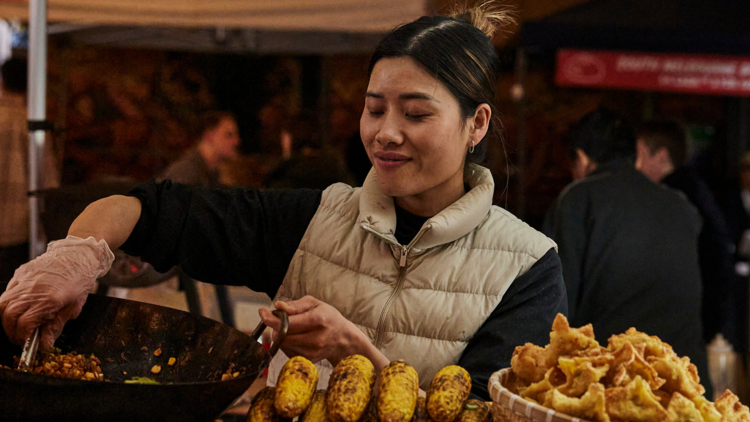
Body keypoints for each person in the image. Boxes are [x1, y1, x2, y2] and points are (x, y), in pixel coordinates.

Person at [0, 3, 566, 400]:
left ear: (477, 124)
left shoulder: (527, 264)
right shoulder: (315, 218)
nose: (385, 133)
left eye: (416, 113)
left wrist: (358, 355)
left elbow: (489, 410)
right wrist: (75, 253)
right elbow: (153, 208)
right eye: (373, 109)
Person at [544, 108, 712, 397]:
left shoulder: (577, 198)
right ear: (634, 157)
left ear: (582, 159)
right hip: (687, 390)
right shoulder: (682, 206)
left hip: (612, 390)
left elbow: (555, 304)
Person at [635, 120, 737, 351]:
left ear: (661, 156)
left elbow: (711, 262)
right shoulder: (693, 191)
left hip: (685, 327)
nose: (636, 166)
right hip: (696, 323)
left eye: (640, 157)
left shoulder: (673, 200)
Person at [0, 57, 59, 290]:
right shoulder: (33, 124)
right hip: (19, 229)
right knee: (11, 297)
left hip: (18, 229)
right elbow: (48, 180)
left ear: (2, 81)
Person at [159, 110, 240, 187]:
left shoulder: (210, 173)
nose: (236, 141)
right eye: (228, 135)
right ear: (209, 136)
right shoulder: (186, 172)